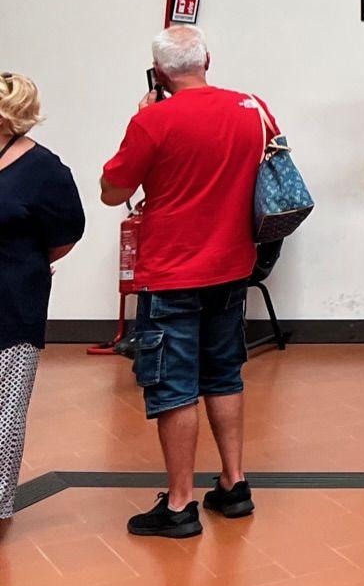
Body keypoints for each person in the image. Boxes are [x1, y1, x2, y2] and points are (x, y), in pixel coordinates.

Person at [98, 26, 270, 539]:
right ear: (207, 60)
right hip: (233, 265)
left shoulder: (152, 120)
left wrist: (140, 118)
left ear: (159, 72)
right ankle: (234, 484)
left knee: (174, 384)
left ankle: (179, 504)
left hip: (171, 272)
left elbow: (113, 191)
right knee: (224, 374)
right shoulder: (253, 108)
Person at [1, 74, 87, 523]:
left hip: (14, 303)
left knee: (5, 412)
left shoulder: (44, 171)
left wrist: (26, 264)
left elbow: (65, 234)